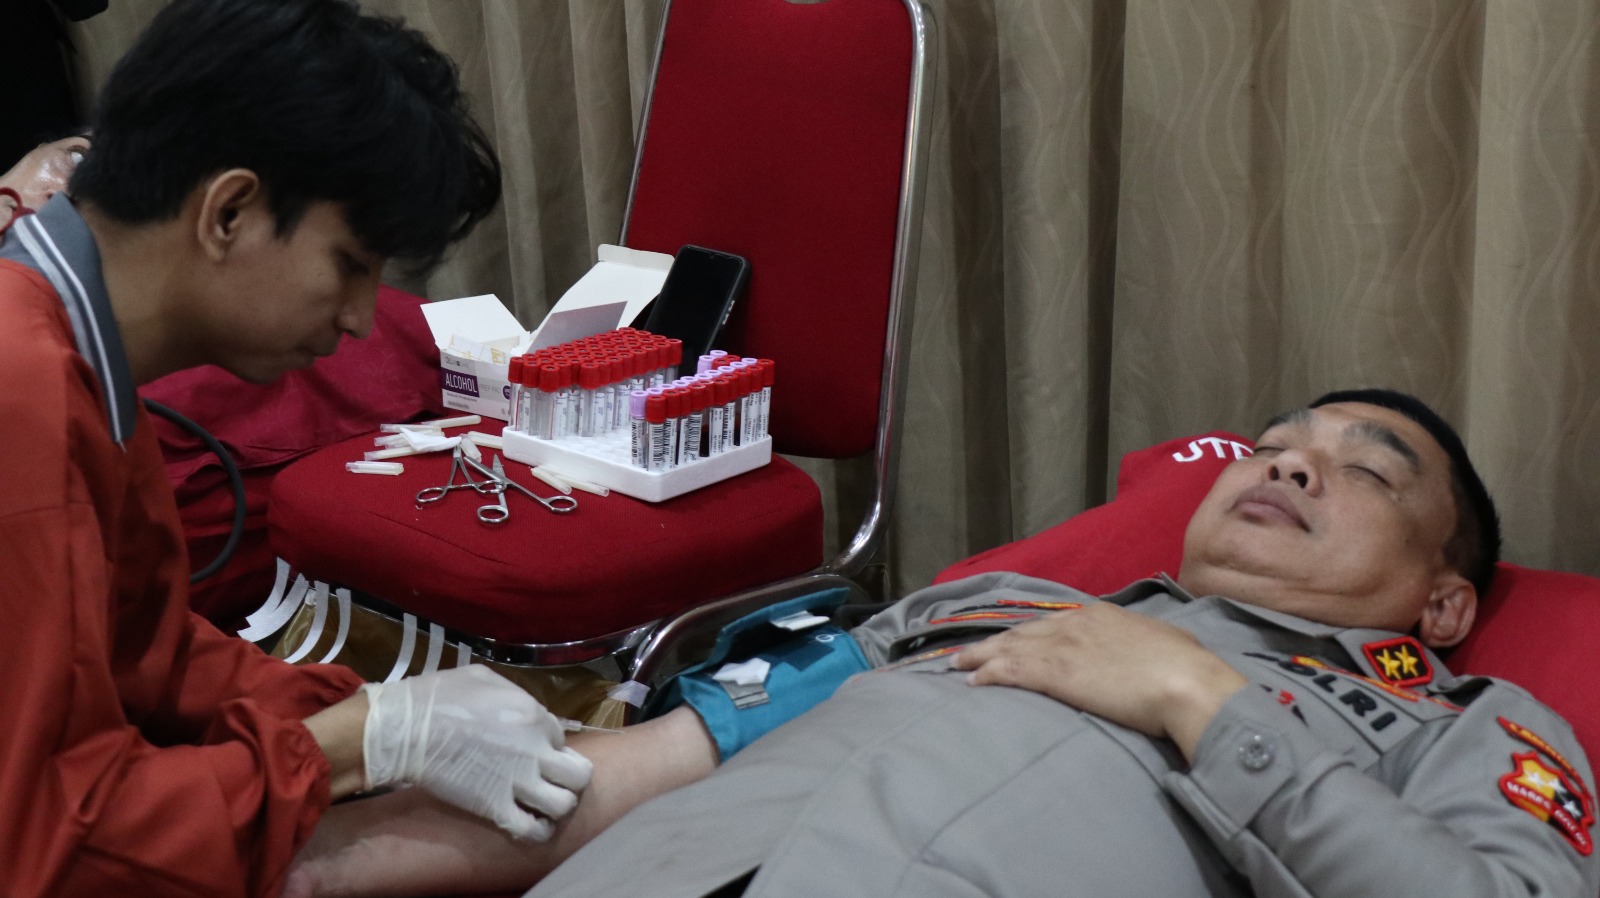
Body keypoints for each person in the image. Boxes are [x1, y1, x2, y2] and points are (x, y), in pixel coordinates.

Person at [284, 389, 1599, 898]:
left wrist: (1203, 701)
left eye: (1364, 467)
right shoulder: (989, 604)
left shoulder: (1467, 722)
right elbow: (647, 767)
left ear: (1443, 602)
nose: (1291, 466)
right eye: (1272, 447)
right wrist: (282, 844)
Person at [0, 3, 593, 896]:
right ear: (229, 212)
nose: (360, 319)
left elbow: (148, 655)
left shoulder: (74, 347)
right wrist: (363, 743)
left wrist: (367, 708)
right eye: (349, 264)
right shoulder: (23, 387)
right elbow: (44, 851)